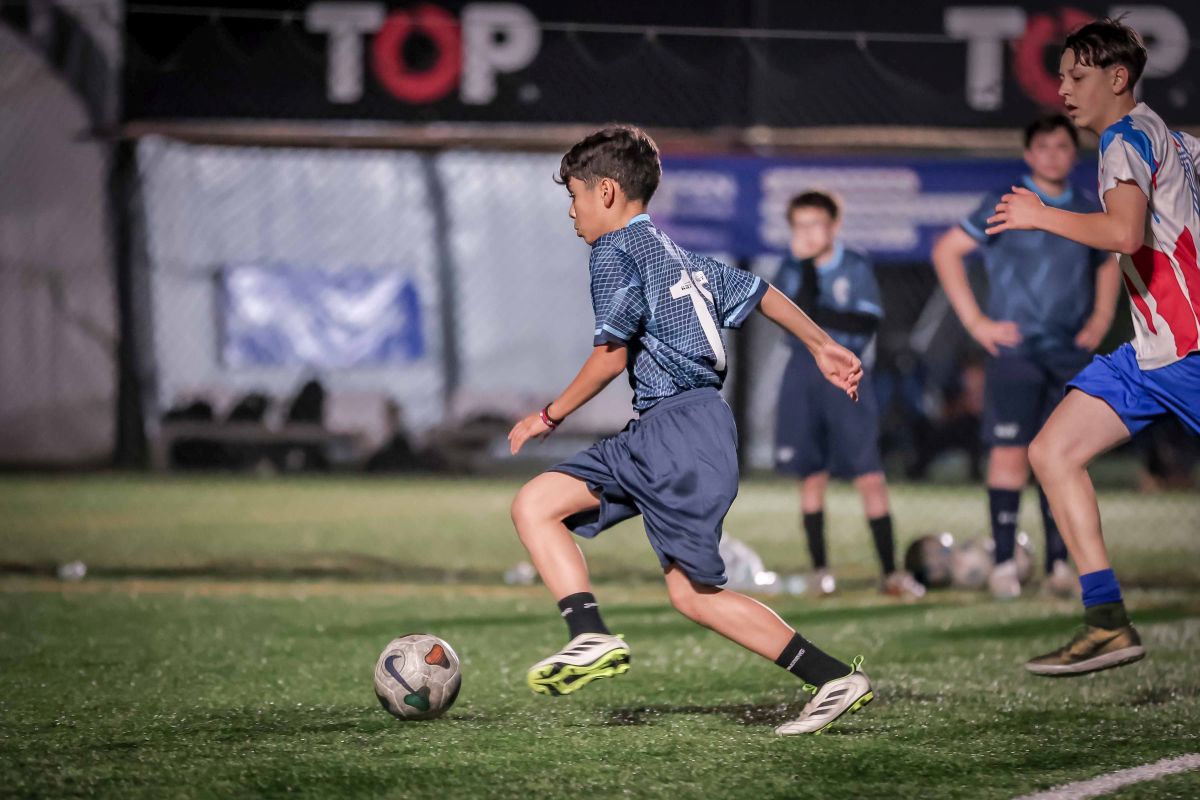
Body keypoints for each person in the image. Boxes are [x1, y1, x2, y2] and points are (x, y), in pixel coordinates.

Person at [507, 125, 872, 734]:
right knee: (549, 511)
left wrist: (549, 415)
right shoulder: (678, 256)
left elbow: (610, 358)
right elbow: (760, 292)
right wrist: (821, 344)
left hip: (675, 431)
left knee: (555, 517)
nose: (571, 212)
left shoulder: (614, 251)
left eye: (574, 196)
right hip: (688, 430)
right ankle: (592, 633)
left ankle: (594, 635)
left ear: (605, 192)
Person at [986, 18, 1200, 675]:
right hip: (1153, 353)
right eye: (1060, 77)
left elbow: (1124, 233)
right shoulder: (1172, 138)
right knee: (1051, 452)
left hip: (1188, 353)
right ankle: (1106, 622)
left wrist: (1039, 215)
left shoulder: (1122, 139)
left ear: (1118, 78)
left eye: (1077, 76)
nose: (1063, 89)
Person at [932, 114, 1121, 600]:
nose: (1054, 155)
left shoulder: (1085, 207)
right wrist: (976, 322)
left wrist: (1102, 316)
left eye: (1063, 146)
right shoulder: (1005, 203)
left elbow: (1109, 259)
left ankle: (1060, 564)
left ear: (1074, 154)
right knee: (1010, 454)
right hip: (1015, 352)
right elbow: (947, 251)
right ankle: (1003, 564)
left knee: (1062, 457)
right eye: (1044, 147)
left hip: (1068, 353)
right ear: (1029, 154)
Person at [774, 191, 924, 599]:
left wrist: (816, 322)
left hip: (847, 375)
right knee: (811, 475)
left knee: (868, 474)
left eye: (815, 224)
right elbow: (790, 319)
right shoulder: (791, 267)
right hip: (803, 376)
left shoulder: (854, 264)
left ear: (834, 226)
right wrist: (806, 269)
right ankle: (821, 571)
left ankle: (890, 572)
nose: (806, 233)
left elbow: (862, 321)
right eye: (799, 226)